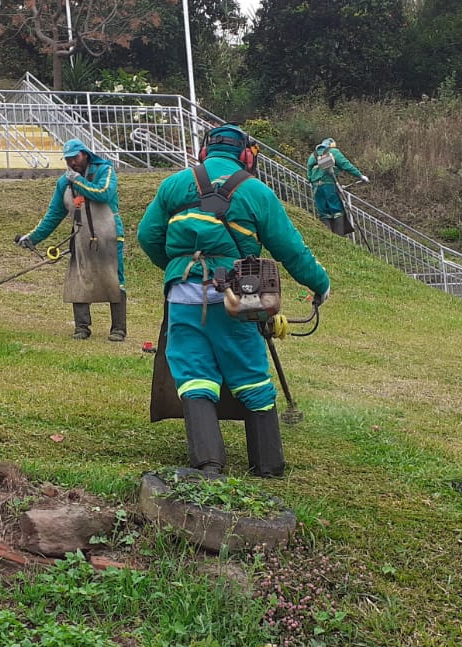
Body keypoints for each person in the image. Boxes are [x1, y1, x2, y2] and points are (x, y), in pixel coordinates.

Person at [138, 124, 331, 478]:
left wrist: (178, 269)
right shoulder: (256, 191)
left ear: (204, 151)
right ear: (245, 155)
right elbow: (291, 248)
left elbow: (147, 235)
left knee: (194, 373)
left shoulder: (175, 184)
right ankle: (268, 464)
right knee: (250, 372)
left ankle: (208, 463)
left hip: (183, 297)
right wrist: (320, 284)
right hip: (238, 297)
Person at [17, 139, 126, 341]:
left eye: (75, 157)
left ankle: (118, 329)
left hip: (109, 235)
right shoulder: (63, 183)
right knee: (78, 280)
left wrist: (78, 181)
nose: (72, 162)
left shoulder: (105, 170)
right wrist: (33, 238)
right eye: (68, 159)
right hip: (80, 238)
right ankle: (81, 328)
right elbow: (54, 215)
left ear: (85, 154)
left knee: (114, 280)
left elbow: (104, 193)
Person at [307, 137, 367, 235]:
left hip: (316, 188)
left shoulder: (313, 156)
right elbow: (345, 165)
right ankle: (339, 236)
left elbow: (309, 176)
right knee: (337, 209)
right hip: (329, 185)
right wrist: (360, 175)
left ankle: (328, 235)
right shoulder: (333, 152)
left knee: (324, 212)